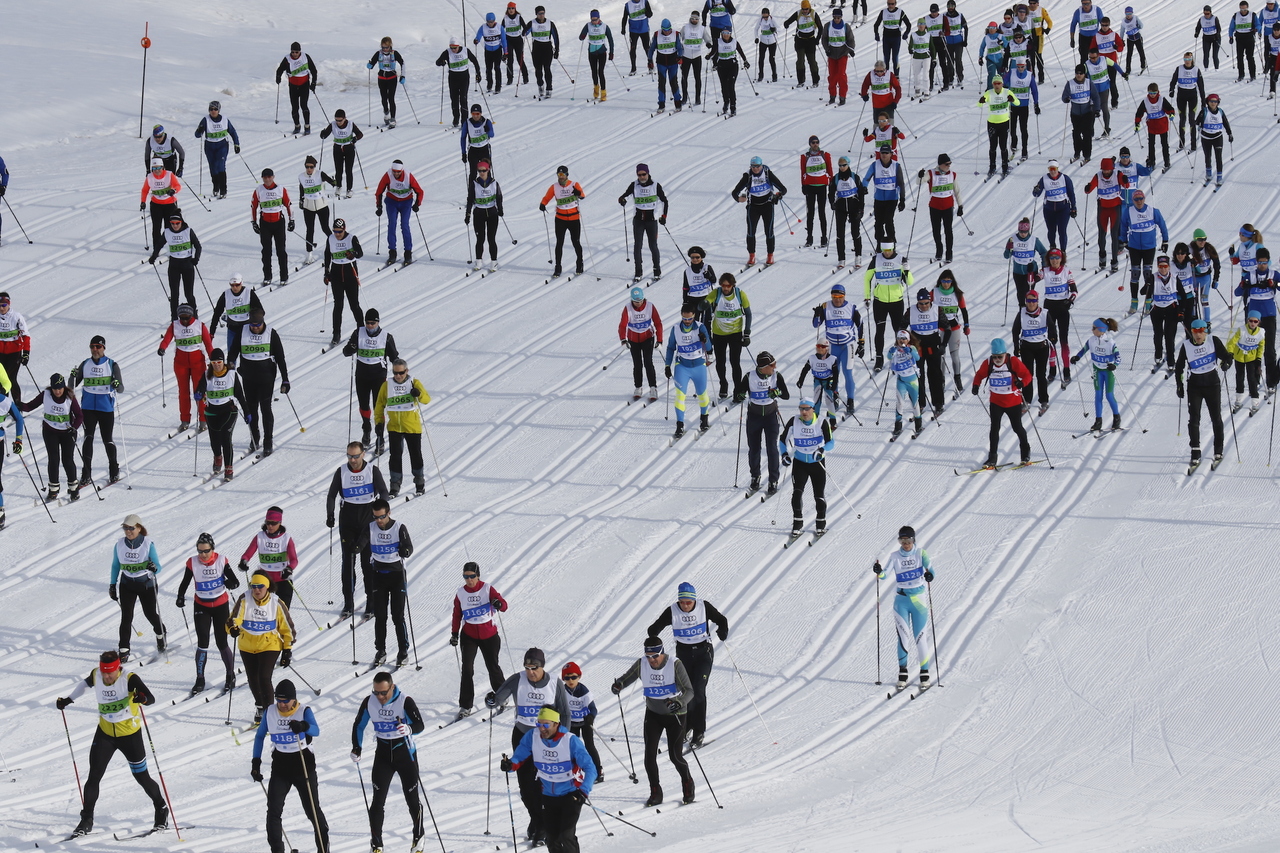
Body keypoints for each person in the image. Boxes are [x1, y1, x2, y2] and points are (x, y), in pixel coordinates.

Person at [55, 651, 168, 838]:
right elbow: (84, 684)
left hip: (130, 735)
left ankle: (161, 808)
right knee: (94, 776)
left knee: (142, 777)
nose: (107, 676)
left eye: (110, 672)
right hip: (106, 734)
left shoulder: (129, 678)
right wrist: (68, 699)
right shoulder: (97, 675)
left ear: (118, 668)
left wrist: (143, 699)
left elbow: (151, 698)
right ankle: (86, 820)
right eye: (104, 672)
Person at [487, 648, 572, 844]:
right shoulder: (518, 680)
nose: (530, 672)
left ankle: (542, 825)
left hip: (546, 739)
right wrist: (491, 700)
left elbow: (565, 714)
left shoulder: (554, 684)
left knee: (541, 783)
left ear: (542, 666)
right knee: (525, 787)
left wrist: (563, 738)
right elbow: (498, 698)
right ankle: (537, 819)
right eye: (527, 668)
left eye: (534, 668)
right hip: (522, 737)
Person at [611, 637, 696, 807]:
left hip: (676, 715)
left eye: (655, 656)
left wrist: (679, 702)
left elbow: (689, 691)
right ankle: (655, 791)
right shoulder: (642, 664)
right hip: (654, 714)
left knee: (675, 756)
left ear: (662, 652)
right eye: (648, 656)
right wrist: (619, 685)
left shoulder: (674, 664)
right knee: (649, 755)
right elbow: (627, 677)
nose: (652, 660)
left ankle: (687, 783)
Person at [645, 583, 729, 748]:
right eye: (682, 602)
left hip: (703, 653)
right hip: (683, 655)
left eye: (688, 602)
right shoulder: (673, 611)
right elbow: (654, 628)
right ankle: (687, 726)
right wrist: (653, 636)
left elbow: (721, 620)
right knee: (686, 690)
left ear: (694, 600)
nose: (684, 605)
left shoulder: (704, 607)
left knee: (698, 690)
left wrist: (723, 630)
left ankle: (699, 731)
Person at [502, 706, 596, 851]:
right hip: (547, 795)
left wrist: (584, 791)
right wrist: (510, 765)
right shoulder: (532, 736)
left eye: (546, 724)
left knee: (566, 836)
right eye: (539, 723)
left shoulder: (570, 741)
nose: (541, 728)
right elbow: (519, 757)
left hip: (571, 795)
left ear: (556, 724)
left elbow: (590, 768)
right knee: (552, 839)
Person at [352, 672, 427, 852]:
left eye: (383, 693)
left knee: (412, 799)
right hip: (383, 755)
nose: (380, 697)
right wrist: (357, 747)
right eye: (376, 692)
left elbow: (420, 725)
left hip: (405, 754)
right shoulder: (369, 702)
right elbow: (359, 725)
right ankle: (376, 845)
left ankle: (418, 838)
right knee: (378, 801)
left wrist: (409, 728)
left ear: (392, 687)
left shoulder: (404, 701)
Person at [252, 679, 329, 853]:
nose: (282, 704)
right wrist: (255, 762)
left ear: (293, 699)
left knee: (312, 811)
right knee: (273, 811)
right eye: (279, 700)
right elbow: (259, 736)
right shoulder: (270, 712)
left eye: (285, 701)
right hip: (281, 767)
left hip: (303, 766)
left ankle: (324, 849)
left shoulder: (304, 711)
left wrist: (303, 726)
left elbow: (316, 731)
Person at [327, 441, 390, 619]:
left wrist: (382, 510)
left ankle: (371, 603)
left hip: (367, 521)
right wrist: (330, 514)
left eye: (355, 456)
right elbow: (332, 495)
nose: (352, 460)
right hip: (347, 520)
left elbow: (384, 492)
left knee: (367, 564)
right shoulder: (341, 471)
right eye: (349, 456)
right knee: (348, 562)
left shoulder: (372, 470)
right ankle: (348, 603)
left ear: (363, 454)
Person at [873, 525, 936, 688]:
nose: (905, 544)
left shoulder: (921, 553)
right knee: (903, 637)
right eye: (902, 541)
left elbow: (931, 571)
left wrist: (929, 575)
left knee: (920, 637)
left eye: (908, 541)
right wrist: (879, 571)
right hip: (901, 601)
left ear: (913, 540)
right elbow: (885, 574)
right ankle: (903, 672)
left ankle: (924, 673)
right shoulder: (895, 556)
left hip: (919, 601)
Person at [176, 532, 240, 695]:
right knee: (202, 641)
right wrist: (180, 596)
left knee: (221, 641)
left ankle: (230, 675)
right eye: (200, 551)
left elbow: (235, 582)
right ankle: (200, 678)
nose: (203, 555)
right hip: (201, 605)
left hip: (220, 605)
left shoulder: (221, 560)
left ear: (213, 549)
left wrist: (228, 582)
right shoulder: (192, 563)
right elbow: (185, 582)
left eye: (206, 551)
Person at [229, 574, 296, 725]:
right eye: (254, 587)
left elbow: (287, 627)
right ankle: (260, 706)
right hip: (247, 645)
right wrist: (233, 628)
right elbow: (234, 618)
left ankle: (269, 713)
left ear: (267, 587)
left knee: (264, 677)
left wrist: (287, 649)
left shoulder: (276, 602)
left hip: (269, 645)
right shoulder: (244, 599)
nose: (257, 590)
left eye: (260, 587)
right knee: (252, 678)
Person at [358, 499, 414, 666]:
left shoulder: (399, 527)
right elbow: (362, 541)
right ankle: (380, 650)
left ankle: (403, 651)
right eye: (375, 517)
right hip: (378, 576)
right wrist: (356, 548)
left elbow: (409, 547)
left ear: (388, 513)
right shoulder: (371, 527)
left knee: (397, 616)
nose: (379, 520)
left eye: (381, 516)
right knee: (380, 616)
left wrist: (405, 550)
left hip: (396, 576)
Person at [451, 561, 509, 719]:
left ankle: (502, 697)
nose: (469, 580)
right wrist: (455, 633)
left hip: (489, 635)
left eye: (472, 576)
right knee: (467, 670)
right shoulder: (461, 593)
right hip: (469, 635)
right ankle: (465, 706)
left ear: (478, 576)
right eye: (466, 577)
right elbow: (457, 614)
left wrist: (497, 603)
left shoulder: (487, 589)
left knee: (493, 666)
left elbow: (504, 606)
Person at [231, 309, 289, 458]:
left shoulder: (271, 334)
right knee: (251, 408)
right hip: (248, 377)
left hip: (266, 378)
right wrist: (230, 366)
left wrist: (285, 379)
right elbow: (232, 353)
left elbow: (281, 358)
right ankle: (254, 437)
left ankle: (268, 441)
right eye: (252, 325)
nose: (255, 328)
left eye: (258, 325)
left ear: (263, 322)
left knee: (265, 408)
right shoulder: (243, 331)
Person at [68, 334, 124, 488]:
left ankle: (114, 470)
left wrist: (116, 383)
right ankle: (86, 475)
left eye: (98, 347)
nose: (95, 349)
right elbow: (71, 389)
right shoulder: (85, 364)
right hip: (88, 408)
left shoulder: (112, 365)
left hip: (105, 408)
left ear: (103, 348)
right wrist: (72, 377)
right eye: (92, 347)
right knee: (88, 438)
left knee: (108, 439)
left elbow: (121, 389)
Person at [108, 514, 165, 661]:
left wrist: (154, 567)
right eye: (125, 528)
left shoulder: (147, 544)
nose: (128, 531)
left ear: (139, 528)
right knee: (126, 617)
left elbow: (158, 566)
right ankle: (124, 649)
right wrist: (112, 585)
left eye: (131, 528)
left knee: (150, 613)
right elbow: (116, 565)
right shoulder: (119, 544)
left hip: (146, 584)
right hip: (127, 584)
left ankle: (161, 634)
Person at [1175, 318, 1232, 467]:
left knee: (1216, 417)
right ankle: (1195, 451)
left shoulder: (1213, 341)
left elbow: (1227, 356)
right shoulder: (1186, 346)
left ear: (1205, 331)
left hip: (1212, 383)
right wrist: (1179, 385)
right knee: (1194, 419)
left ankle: (1218, 449)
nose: (1198, 335)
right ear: (1191, 332)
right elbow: (1179, 367)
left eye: (1201, 331)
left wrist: (1226, 363)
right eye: (1195, 331)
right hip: (1195, 385)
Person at [20, 373, 83, 502]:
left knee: (67, 460)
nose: (57, 391)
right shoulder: (46, 395)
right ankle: (53, 490)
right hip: (50, 431)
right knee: (53, 459)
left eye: (60, 388)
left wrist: (74, 427)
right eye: (55, 388)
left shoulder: (69, 397)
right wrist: (17, 405)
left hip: (67, 432)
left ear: (64, 387)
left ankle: (73, 488)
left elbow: (79, 416)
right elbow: (29, 406)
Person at [972, 337, 1033, 467]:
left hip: (1013, 402)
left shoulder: (1013, 361)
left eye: (1000, 356)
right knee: (994, 429)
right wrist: (976, 385)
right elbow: (979, 375)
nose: (997, 360)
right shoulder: (988, 363)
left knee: (1017, 428)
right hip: (996, 402)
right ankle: (992, 458)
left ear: (1005, 354)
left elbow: (1028, 375)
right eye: (995, 357)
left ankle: (1025, 452)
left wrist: (1022, 383)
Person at [374, 358, 430, 497]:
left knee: (415, 454)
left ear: (407, 371)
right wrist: (378, 423)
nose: (398, 376)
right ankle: (394, 485)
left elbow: (427, 399)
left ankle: (419, 483)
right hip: (394, 427)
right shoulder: (387, 385)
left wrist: (419, 394)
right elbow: (379, 405)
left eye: (401, 373)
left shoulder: (414, 383)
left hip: (412, 426)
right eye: (395, 373)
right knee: (395, 457)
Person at [780, 397, 836, 534]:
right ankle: (797, 524)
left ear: (813, 409)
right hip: (800, 463)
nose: (803, 412)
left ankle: (820, 523)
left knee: (819, 495)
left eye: (806, 409)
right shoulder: (794, 421)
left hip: (817, 463)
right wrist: (784, 454)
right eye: (801, 409)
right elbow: (782, 440)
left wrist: (822, 450)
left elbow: (831, 442)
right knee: (797, 493)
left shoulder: (822, 422)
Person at [343, 308, 396, 449]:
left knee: (378, 407)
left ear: (378, 322)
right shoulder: (358, 333)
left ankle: (380, 436)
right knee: (363, 405)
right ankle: (366, 429)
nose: (370, 326)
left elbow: (394, 357)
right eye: (368, 323)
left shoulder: (386, 336)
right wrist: (352, 347)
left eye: (373, 323)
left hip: (378, 376)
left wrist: (400, 373)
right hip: (362, 375)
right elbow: (346, 352)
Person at [194, 348, 250, 481]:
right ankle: (218, 457)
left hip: (228, 411)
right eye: (214, 363)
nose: (217, 365)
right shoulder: (207, 374)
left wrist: (247, 412)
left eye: (219, 362)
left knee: (226, 437)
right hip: (211, 412)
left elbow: (240, 395)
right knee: (215, 440)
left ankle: (229, 467)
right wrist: (198, 393)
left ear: (223, 362)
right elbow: (200, 388)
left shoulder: (231, 374)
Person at [158, 303, 211, 433]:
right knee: (183, 391)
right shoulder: (175, 325)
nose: (185, 321)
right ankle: (185, 420)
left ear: (192, 315)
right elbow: (167, 339)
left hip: (197, 362)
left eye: (187, 317)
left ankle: (203, 420)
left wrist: (214, 359)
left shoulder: (200, 325)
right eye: (182, 318)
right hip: (181, 363)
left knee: (199, 391)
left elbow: (208, 344)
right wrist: (162, 348)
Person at [664, 300, 714, 438]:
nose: (687, 321)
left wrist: (704, 339)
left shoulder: (700, 327)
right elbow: (670, 347)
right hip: (682, 366)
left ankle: (704, 419)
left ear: (694, 316)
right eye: (684, 318)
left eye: (690, 318)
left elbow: (709, 348)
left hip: (699, 366)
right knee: (680, 396)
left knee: (702, 395)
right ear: (681, 315)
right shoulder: (675, 329)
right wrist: (667, 365)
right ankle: (680, 425)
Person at [812, 283, 864, 414]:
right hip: (833, 346)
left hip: (848, 345)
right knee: (833, 373)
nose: (837, 299)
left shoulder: (851, 307)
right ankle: (835, 396)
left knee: (847, 372)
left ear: (844, 296)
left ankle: (850, 400)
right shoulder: (825, 307)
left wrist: (861, 342)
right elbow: (815, 325)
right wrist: (817, 315)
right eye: (834, 296)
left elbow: (860, 324)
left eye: (840, 296)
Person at [744, 350, 789, 494]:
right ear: (763, 367)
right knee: (754, 448)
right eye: (772, 365)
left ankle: (773, 480)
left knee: (772, 448)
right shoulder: (749, 377)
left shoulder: (776, 376)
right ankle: (755, 477)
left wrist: (777, 393)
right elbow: (738, 393)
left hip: (770, 416)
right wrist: (739, 395)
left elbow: (786, 395)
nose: (774, 367)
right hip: (754, 416)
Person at [1119, 189, 1170, 315]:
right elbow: (1123, 226)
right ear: (1133, 200)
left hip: (1149, 246)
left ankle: (1148, 302)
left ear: (1144, 199)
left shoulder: (1153, 211)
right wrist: (1124, 241)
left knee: (1147, 274)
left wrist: (1165, 241)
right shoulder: (1128, 211)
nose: (1139, 202)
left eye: (1141, 199)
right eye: (1136, 199)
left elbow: (1162, 225)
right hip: (1134, 247)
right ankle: (1134, 302)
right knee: (1135, 274)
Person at [239, 506, 300, 609]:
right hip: (264, 578)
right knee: (262, 610)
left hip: (282, 578)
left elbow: (294, 560)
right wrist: (244, 561)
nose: (270, 526)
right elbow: (248, 553)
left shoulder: (286, 538)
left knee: (282, 611)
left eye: (273, 523)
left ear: (280, 523)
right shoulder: (260, 537)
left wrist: (289, 569)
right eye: (268, 523)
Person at [1236, 246, 1279, 392]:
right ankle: (1254, 378)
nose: (1262, 265)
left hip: (1269, 315)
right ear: (1256, 261)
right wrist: (1243, 285)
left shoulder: (1274, 274)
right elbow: (1237, 292)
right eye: (1260, 262)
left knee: (1269, 349)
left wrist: (1275, 284)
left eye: (1265, 262)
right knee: (1252, 347)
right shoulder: (1250, 275)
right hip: (1254, 318)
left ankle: (1272, 380)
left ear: (1268, 262)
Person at [864, 242, 912, 369]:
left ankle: (901, 356)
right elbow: (867, 278)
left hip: (897, 301)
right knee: (880, 330)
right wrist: (867, 297)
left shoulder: (901, 259)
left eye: (889, 250)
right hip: (880, 301)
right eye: (884, 250)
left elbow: (910, 282)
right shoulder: (876, 259)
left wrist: (906, 270)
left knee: (898, 330)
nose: (887, 253)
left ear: (893, 248)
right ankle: (879, 358)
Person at [731, 156, 786, 266]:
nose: (755, 169)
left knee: (769, 231)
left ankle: (770, 255)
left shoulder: (767, 173)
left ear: (761, 166)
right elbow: (735, 192)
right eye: (753, 166)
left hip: (767, 206)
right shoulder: (748, 176)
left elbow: (783, 189)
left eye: (757, 166)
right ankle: (752, 256)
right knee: (751, 232)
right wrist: (738, 199)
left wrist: (778, 195)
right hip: (753, 207)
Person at [149, 209, 201, 321]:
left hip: (187, 265)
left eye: (177, 223)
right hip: (174, 265)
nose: (175, 226)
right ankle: (174, 318)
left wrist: (196, 259)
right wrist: (154, 256)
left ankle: (194, 315)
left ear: (181, 222)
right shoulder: (167, 232)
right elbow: (159, 245)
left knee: (189, 294)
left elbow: (198, 246)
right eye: (172, 223)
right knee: (174, 294)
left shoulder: (188, 231)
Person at [619, 163, 668, 280]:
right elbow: (624, 196)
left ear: (648, 173)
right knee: (637, 246)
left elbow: (664, 201)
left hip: (651, 221)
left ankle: (657, 271)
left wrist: (663, 216)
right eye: (639, 175)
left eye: (644, 174)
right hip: (638, 220)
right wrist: (622, 200)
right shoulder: (634, 185)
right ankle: (638, 272)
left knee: (653, 246)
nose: (641, 177)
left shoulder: (655, 185)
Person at [707, 273, 752, 401]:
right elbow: (705, 302)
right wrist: (704, 304)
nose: (725, 288)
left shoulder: (740, 294)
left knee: (735, 362)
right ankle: (723, 384)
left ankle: (738, 389)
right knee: (720, 362)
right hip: (719, 333)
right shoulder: (716, 293)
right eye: (723, 285)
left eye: (728, 286)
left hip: (735, 333)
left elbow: (748, 314)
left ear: (733, 285)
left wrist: (747, 332)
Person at [324, 219, 366, 347]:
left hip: (350, 274)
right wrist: (327, 272)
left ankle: (361, 330)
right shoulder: (330, 239)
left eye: (340, 232)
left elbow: (360, 253)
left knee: (354, 304)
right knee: (338, 305)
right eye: (335, 231)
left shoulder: (352, 238)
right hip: (336, 274)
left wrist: (352, 254)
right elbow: (327, 255)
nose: (337, 234)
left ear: (344, 229)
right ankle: (336, 333)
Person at [374, 159, 424, 266]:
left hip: (406, 202)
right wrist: (379, 206)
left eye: (398, 172)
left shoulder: (408, 176)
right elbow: (379, 191)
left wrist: (417, 204)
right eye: (394, 171)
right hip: (392, 202)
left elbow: (419, 191)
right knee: (392, 224)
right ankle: (392, 252)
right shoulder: (388, 175)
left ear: (402, 170)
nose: (396, 174)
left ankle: (408, 253)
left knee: (404, 225)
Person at [1040, 249, 1079, 384]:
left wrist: (1070, 300)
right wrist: (1031, 270)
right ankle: (1052, 369)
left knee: (1063, 339)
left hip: (1062, 306)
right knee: (1050, 339)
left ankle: (1066, 369)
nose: (1054, 260)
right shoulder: (1045, 271)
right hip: (1049, 307)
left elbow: (1074, 290)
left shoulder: (1066, 271)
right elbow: (1032, 279)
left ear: (1061, 259)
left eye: (1057, 258)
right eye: (1052, 258)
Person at [540, 165, 586, 277]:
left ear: (567, 175)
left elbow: (582, 196)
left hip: (574, 219)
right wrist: (542, 204)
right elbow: (547, 197)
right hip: (560, 219)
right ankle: (558, 267)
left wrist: (577, 193)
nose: (560, 177)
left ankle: (579, 264)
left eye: (562, 175)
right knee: (559, 243)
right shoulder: (554, 187)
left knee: (576, 242)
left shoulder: (574, 185)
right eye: (559, 175)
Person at [1012, 290, 1053, 415]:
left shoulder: (1044, 313)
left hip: (1041, 347)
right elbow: (1015, 330)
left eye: (1033, 300)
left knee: (1041, 374)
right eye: (1029, 301)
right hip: (1026, 347)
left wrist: (1053, 337)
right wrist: (1016, 347)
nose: (1031, 303)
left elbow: (1052, 327)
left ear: (1037, 301)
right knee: (1028, 374)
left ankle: (1044, 400)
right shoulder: (1021, 313)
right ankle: (1027, 400)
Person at [250, 168, 294, 287]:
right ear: (262, 178)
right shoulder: (259, 190)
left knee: (281, 250)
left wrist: (292, 220)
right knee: (266, 251)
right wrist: (253, 222)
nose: (267, 179)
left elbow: (288, 204)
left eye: (269, 177)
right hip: (265, 224)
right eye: (265, 177)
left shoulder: (280, 189)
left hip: (279, 222)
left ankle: (284, 276)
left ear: (273, 177)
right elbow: (253, 206)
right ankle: (267, 276)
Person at [560, 663, 604, 781]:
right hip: (572, 723)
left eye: (573, 677)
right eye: (567, 678)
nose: (570, 681)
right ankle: (574, 771)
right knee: (572, 747)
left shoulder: (584, 691)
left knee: (589, 745)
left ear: (579, 677)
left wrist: (591, 716)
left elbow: (593, 708)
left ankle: (598, 771)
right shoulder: (562, 691)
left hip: (585, 722)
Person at [1084, 158, 1129, 273]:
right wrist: (1088, 188)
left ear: (1112, 168)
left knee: (1114, 235)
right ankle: (1102, 256)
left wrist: (1124, 180)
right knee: (1102, 233)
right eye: (1104, 170)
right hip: (1103, 207)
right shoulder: (1098, 175)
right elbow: (1090, 188)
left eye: (1108, 170)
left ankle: (1114, 261)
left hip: (1115, 207)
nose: (1106, 172)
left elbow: (1126, 185)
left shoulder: (1117, 174)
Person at [1145, 255, 1187, 373]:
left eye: (1165, 266)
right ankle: (1158, 353)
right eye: (1160, 266)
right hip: (1157, 309)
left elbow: (1183, 296)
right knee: (1158, 334)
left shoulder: (1174, 278)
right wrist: (1147, 284)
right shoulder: (1153, 278)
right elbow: (1144, 292)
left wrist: (1181, 311)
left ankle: (1171, 360)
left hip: (1171, 309)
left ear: (1169, 267)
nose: (1163, 269)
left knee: (1170, 336)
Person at [620, 286, 663, 401]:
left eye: (640, 301)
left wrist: (660, 340)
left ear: (643, 299)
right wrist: (623, 340)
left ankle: (653, 388)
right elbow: (622, 325)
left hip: (647, 337)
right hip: (633, 339)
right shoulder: (628, 308)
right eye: (635, 301)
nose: (638, 304)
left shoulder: (650, 306)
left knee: (648, 362)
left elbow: (658, 323)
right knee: (637, 364)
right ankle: (638, 387)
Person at [909, 288, 947, 415]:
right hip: (917, 348)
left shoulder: (937, 309)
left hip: (933, 346)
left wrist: (943, 345)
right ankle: (920, 404)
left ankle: (938, 403)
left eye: (926, 303)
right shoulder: (911, 311)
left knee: (935, 375)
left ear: (930, 301)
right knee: (918, 376)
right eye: (921, 304)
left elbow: (947, 328)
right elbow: (901, 328)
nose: (924, 306)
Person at [210, 274, 265, 359]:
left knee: (248, 355)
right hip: (232, 329)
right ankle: (231, 372)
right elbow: (217, 313)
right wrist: (212, 332)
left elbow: (261, 311)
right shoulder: (226, 294)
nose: (235, 287)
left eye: (237, 285)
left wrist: (256, 320)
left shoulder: (248, 293)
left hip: (247, 330)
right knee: (231, 356)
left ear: (241, 283)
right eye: (232, 285)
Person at [934, 270, 971, 393]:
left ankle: (957, 378)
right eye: (944, 281)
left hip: (954, 327)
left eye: (948, 281)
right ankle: (941, 380)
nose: (946, 284)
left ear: (952, 282)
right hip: (939, 328)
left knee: (955, 355)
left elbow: (964, 310)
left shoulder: (957, 294)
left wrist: (966, 325)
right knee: (941, 356)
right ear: (940, 281)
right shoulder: (934, 292)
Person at [194, 100, 240, 200]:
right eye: (211, 109)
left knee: (220, 165)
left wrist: (237, 144)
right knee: (213, 167)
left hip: (222, 145)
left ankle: (223, 190)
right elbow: (197, 135)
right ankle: (216, 187)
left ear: (218, 110)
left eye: (215, 109)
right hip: (209, 146)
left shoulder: (224, 119)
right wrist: (200, 129)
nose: (213, 111)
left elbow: (232, 131)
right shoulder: (205, 120)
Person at [828, 156, 867, 269]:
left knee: (855, 232)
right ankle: (841, 258)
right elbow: (830, 192)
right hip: (840, 207)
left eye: (844, 165)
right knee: (840, 234)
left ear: (848, 165)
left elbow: (861, 194)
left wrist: (861, 208)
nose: (842, 167)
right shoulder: (836, 178)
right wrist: (832, 203)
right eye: (840, 165)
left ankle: (858, 256)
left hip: (853, 206)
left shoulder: (855, 177)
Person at [862, 144, 905, 244]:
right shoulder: (875, 165)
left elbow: (901, 183)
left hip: (892, 198)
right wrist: (864, 187)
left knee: (889, 221)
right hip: (879, 198)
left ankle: (892, 243)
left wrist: (902, 199)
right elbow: (866, 178)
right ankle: (879, 244)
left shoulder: (896, 166)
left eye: (886, 153)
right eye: (882, 153)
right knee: (878, 223)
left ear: (891, 154)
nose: (884, 155)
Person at [466, 160, 504, 273]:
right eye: (479, 171)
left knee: (491, 238)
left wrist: (500, 209)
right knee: (480, 238)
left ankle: (494, 262)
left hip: (492, 214)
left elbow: (499, 197)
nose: (481, 173)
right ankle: (478, 261)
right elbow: (469, 200)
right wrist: (467, 214)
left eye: (484, 170)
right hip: (479, 214)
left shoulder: (494, 183)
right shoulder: (474, 184)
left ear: (488, 170)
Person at [139, 158, 182, 257]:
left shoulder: (169, 174)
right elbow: (145, 190)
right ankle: (156, 249)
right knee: (156, 227)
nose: (157, 170)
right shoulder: (149, 177)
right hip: (156, 204)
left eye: (158, 168)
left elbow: (178, 186)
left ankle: (173, 248)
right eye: (154, 168)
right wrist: (143, 202)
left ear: (163, 167)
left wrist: (173, 190)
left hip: (170, 204)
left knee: (170, 227)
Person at [1031, 160, 1077, 252]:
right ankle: (1052, 247)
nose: (1052, 171)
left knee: (1062, 231)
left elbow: (1071, 194)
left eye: (1054, 169)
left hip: (1063, 208)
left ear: (1057, 169)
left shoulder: (1065, 178)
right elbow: (1036, 194)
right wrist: (1036, 190)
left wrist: (1073, 208)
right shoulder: (1044, 179)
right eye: (1050, 169)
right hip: (1049, 209)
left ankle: (1063, 251)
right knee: (1051, 230)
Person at [1003, 216, 1049, 309]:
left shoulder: (1033, 240)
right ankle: (1022, 310)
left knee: (1028, 292)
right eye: (1021, 232)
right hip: (1017, 271)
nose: (1023, 234)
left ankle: (1031, 310)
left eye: (1025, 232)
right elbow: (1006, 256)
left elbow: (1044, 253)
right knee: (1020, 293)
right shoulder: (1012, 239)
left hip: (1030, 270)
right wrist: (1008, 249)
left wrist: (1044, 266)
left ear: (1028, 231)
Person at [436, 38, 483, 126]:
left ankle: (464, 120)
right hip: (453, 77)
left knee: (463, 99)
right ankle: (456, 118)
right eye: (451, 47)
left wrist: (478, 73)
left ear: (459, 46)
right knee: (454, 99)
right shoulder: (447, 52)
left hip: (464, 77)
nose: (453, 50)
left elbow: (475, 61)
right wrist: (442, 62)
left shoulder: (465, 51)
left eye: (455, 48)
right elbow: (437, 62)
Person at [297, 155, 334, 264]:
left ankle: (334, 247)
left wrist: (335, 182)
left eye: (311, 167)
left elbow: (330, 181)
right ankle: (309, 254)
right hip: (308, 207)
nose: (309, 169)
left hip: (322, 206)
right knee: (310, 230)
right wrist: (301, 200)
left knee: (325, 228)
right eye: (307, 167)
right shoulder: (301, 176)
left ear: (314, 167)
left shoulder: (319, 174)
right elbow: (301, 188)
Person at [979, 76, 1019, 178]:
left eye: (998, 83)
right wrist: (981, 101)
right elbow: (979, 105)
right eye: (995, 83)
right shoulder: (989, 93)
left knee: (1003, 146)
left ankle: (1005, 166)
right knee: (993, 146)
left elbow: (1017, 103)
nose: (997, 85)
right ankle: (992, 166)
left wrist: (1012, 99)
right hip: (992, 123)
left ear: (1002, 84)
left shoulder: (1007, 92)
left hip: (1004, 123)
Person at [1226, 310, 1266, 414]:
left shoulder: (1261, 333)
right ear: (1247, 320)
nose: (1253, 323)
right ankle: (1238, 400)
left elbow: (1261, 347)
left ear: (1259, 322)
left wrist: (1258, 359)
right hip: (1239, 357)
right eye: (1251, 321)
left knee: (1251, 379)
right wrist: (1230, 353)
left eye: (1255, 321)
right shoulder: (1241, 330)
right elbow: (1232, 342)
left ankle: (1255, 401)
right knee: (1239, 377)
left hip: (1251, 358)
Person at [886, 329, 924, 436]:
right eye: (899, 338)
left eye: (904, 339)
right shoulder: (896, 350)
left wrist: (910, 351)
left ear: (908, 340)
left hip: (912, 381)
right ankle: (898, 426)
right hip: (901, 381)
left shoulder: (911, 348)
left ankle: (918, 425)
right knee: (900, 403)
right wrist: (891, 352)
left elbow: (917, 358)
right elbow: (889, 357)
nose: (901, 341)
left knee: (915, 403)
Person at [319, 109, 365, 197]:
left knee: (348, 170)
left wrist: (355, 138)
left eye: (340, 120)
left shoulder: (350, 124)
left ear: (344, 118)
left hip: (349, 148)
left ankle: (349, 189)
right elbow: (325, 135)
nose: (338, 122)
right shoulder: (333, 124)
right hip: (337, 148)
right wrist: (323, 134)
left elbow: (360, 134)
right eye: (336, 120)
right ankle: (339, 186)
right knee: (338, 170)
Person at [1061, 64, 1101, 165]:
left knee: (1087, 134)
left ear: (1084, 74)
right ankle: (1077, 153)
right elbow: (1064, 96)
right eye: (1077, 73)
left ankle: (1087, 155)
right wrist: (1066, 99)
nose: (1079, 75)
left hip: (1087, 112)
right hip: (1075, 113)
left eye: (1081, 73)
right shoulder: (1070, 83)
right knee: (1076, 133)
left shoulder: (1089, 83)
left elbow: (1096, 97)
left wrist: (1097, 109)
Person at [275, 42, 318, 134]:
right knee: (294, 107)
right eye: (293, 52)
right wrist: (278, 77)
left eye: (296, 52)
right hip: (293, 86)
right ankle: (297, 126)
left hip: (304, 85)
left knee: (304, 105)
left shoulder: (305, 57)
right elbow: (280, 69)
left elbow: (314, 70)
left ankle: (307, 126)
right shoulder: (287, 59)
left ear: (300, 51)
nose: (294, 54)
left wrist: (314, 83)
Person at [1134, 83, 1177, 172]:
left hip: (1162, 125)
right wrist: (1137, 123)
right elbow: (1139, 112)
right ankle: (1152, 161)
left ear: (1157, 92)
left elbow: (1169, 108)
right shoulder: (1145, 101)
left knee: (1164, 144)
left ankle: (1167, 161)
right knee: (1151, 144)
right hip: (1152, 126)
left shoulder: (1161, 99)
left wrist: (1171, 114)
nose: (1152, 95)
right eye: (1150, 93)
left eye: (1154, 93)